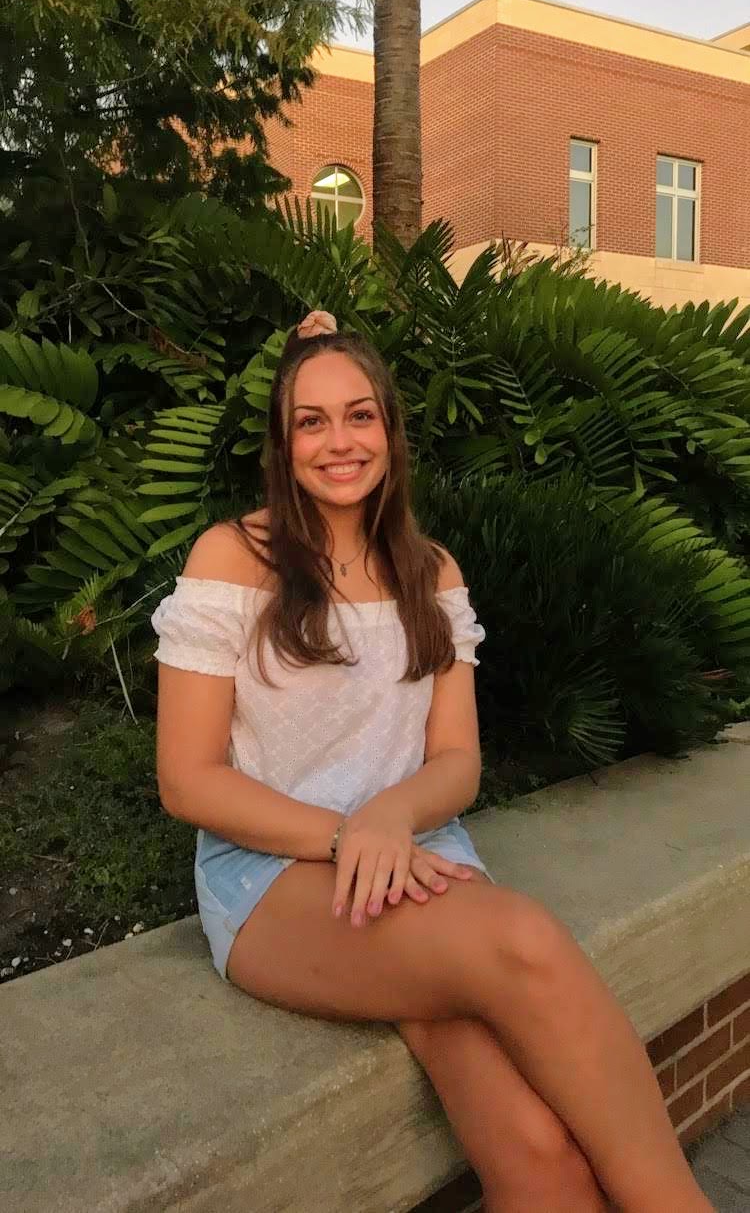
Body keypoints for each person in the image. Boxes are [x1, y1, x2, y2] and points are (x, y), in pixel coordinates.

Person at [152, 312, 713, 1213]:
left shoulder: (431, 571)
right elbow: (188, 780)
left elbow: (456, 761)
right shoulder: (234, 559)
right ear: (281, 442)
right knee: (524, 939)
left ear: (391, 430)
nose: (340, 441)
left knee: (542, 1160)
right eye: (312, 421)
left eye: (360, 415)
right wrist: (347, 834)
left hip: (420, 851)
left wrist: (388, 819)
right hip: (274, 874)